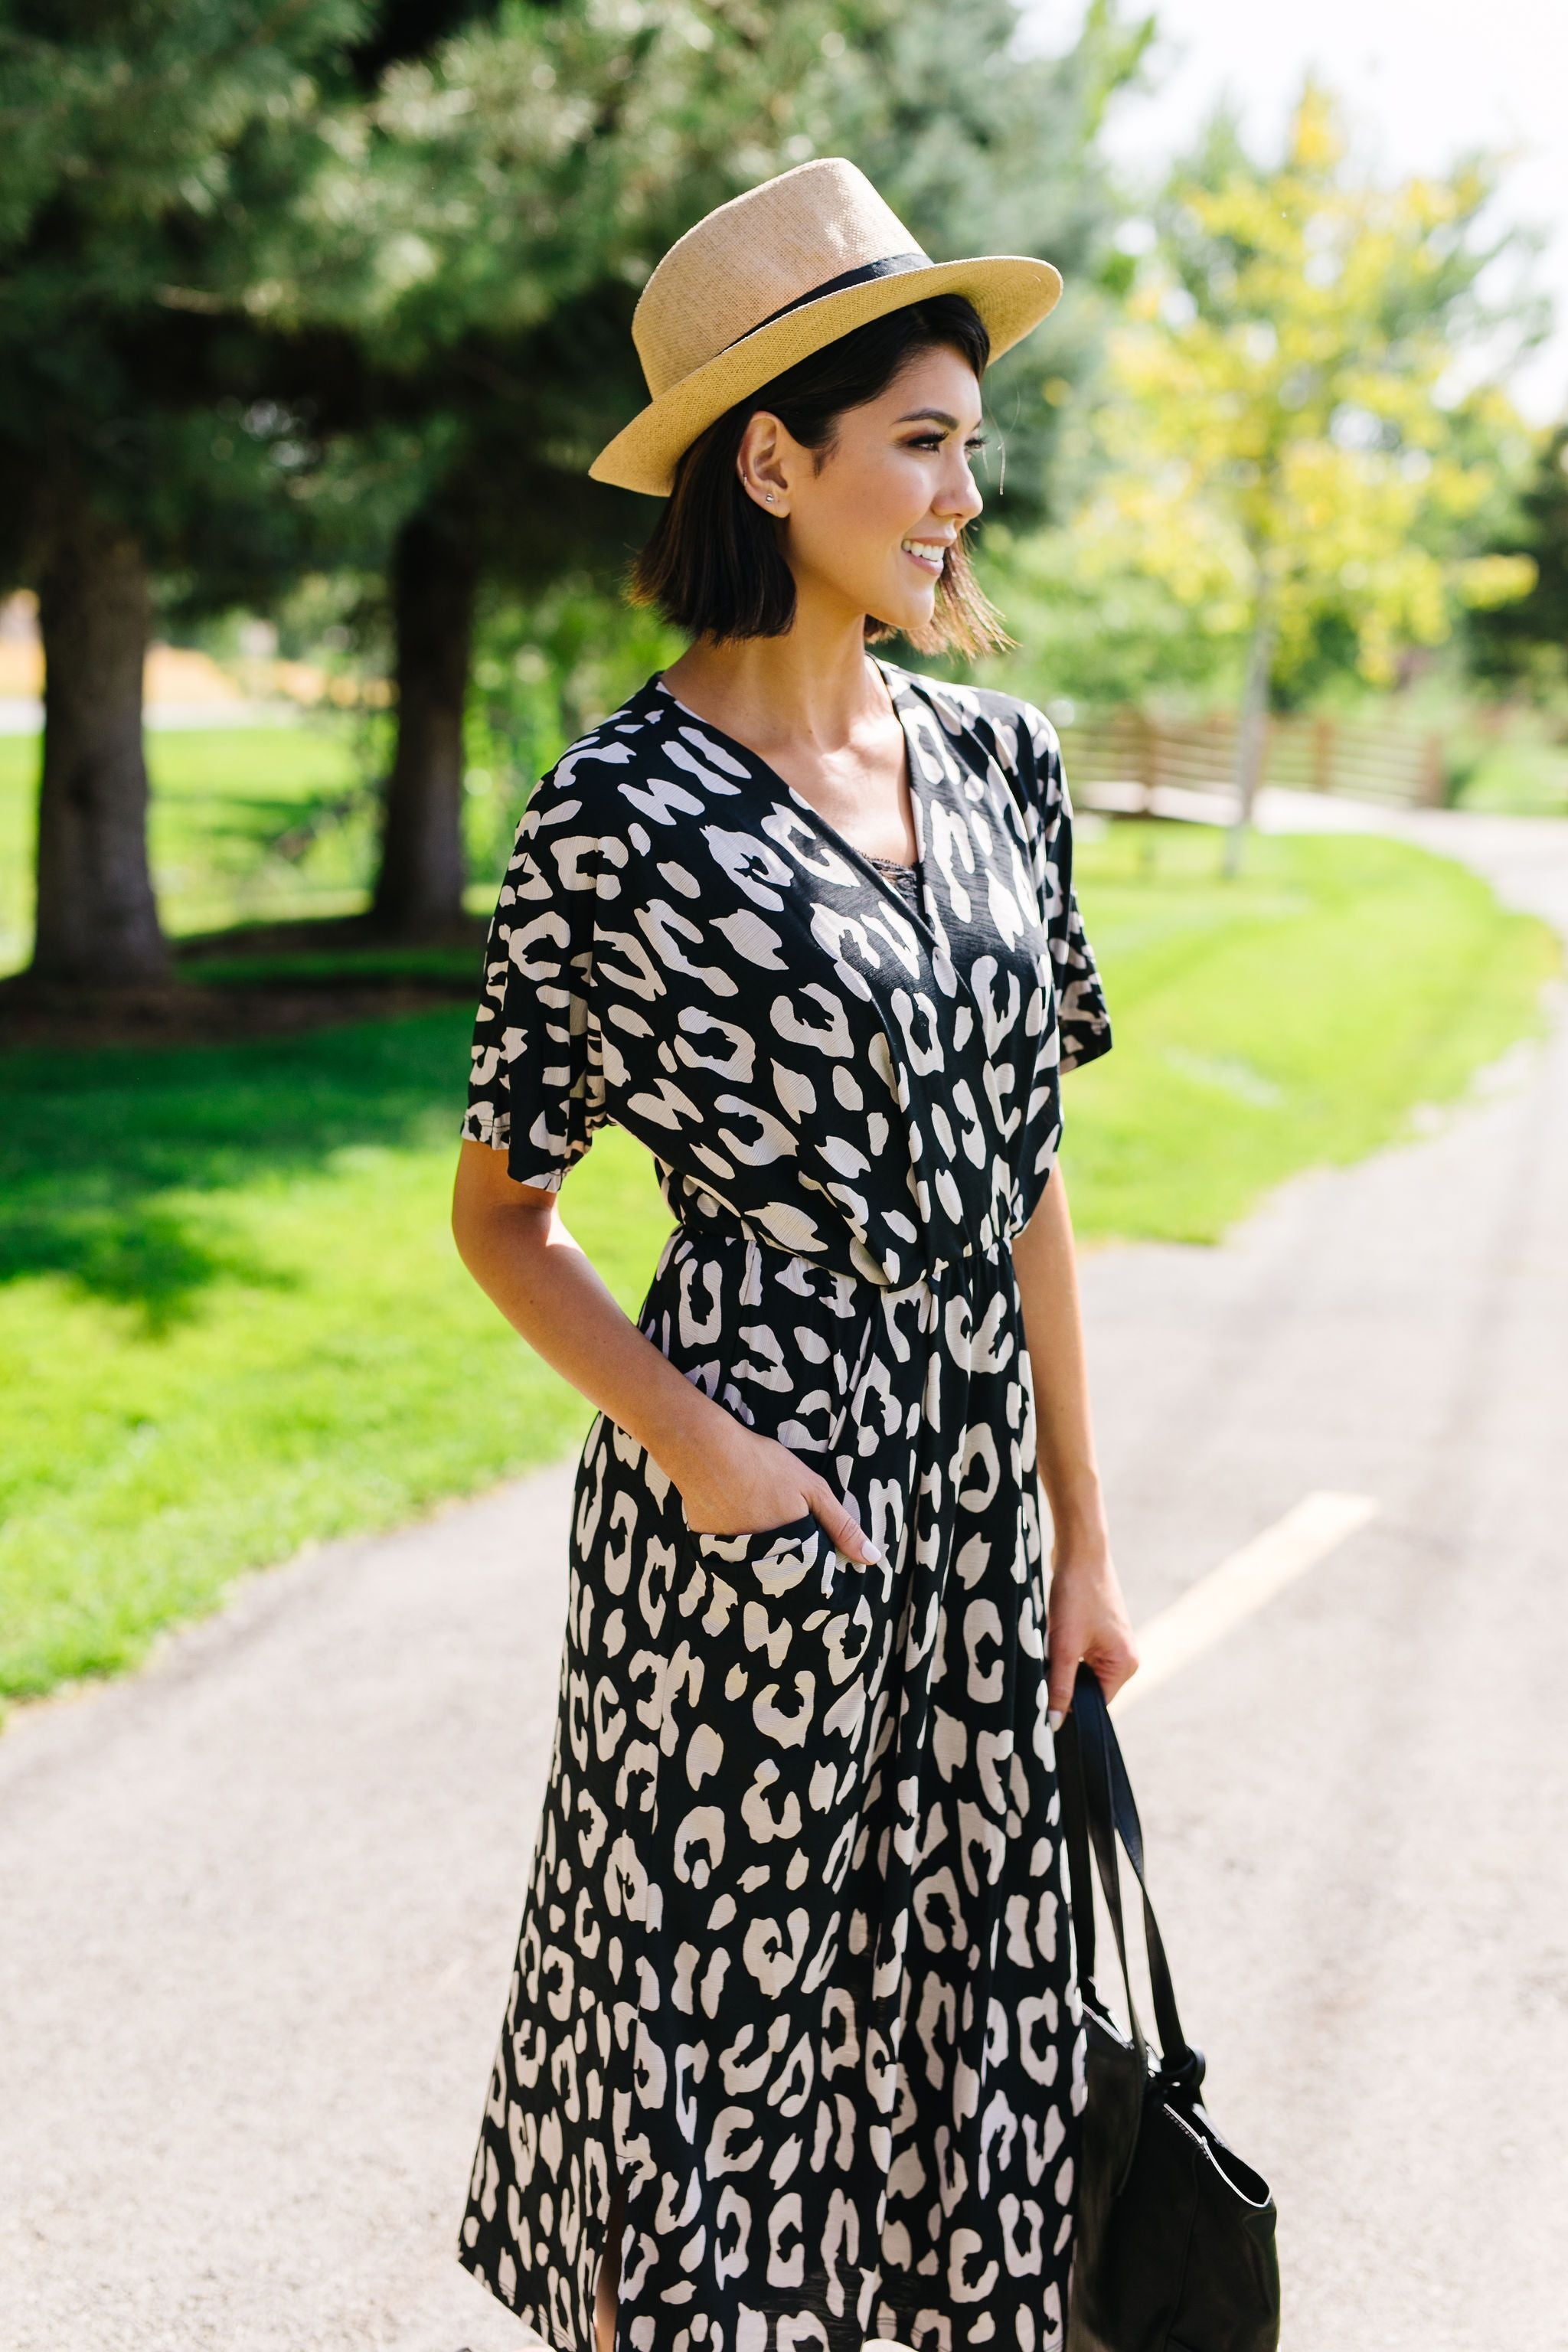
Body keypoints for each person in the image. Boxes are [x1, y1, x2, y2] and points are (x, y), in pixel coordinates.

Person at [450, 156, 1139, 2352]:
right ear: (776, 459)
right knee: (706, 2035)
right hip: (765, 1480)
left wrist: (1084, 1543)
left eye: (968, 443)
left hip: (970, 1513)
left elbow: (1026, 1165)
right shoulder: (613, 813)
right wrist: (705, 1451)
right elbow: (502, 1216)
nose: (963, 492)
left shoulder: (1005, 767)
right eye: (921, 444)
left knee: (958, 2028)